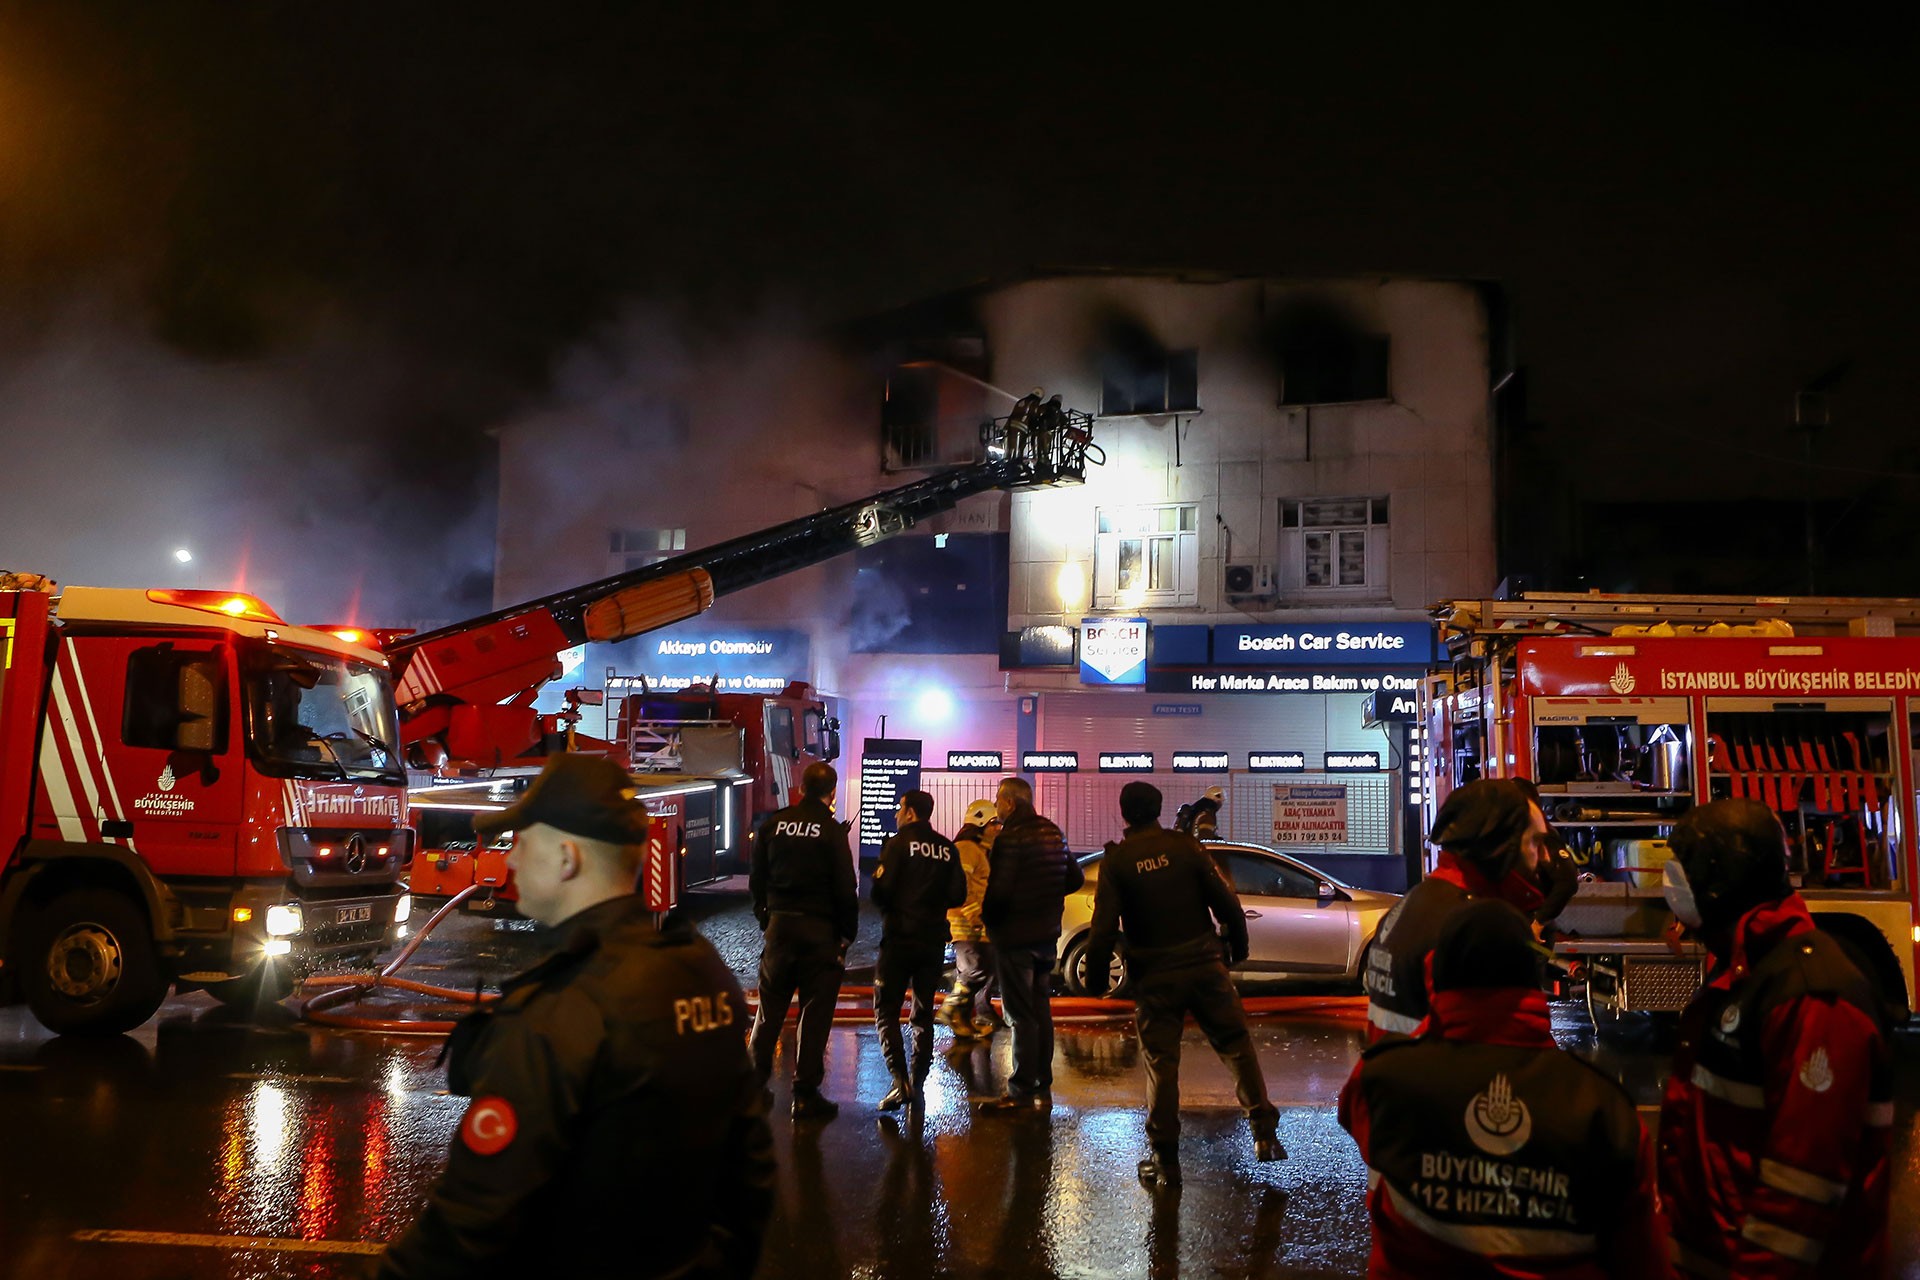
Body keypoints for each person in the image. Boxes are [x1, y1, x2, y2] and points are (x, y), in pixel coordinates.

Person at [378, 753, 774, 1280]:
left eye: (521, 842)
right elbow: (752, 1175)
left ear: (566, 858)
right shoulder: (703, 975)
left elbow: (464, 1232)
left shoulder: (554, 1017)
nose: (511, 861)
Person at [1339, 899, 1667, 1278]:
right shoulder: (1603, 1110)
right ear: (1532, 978)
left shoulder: (1382, 1080)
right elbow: (1643, 1260)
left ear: (1434, 973)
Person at [1657, 799, 1891, 1278]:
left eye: (1685, 867)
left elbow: (1801, 1192)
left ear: (1722, 879)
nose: (1673, 883)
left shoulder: (1811, 997)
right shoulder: (1749, 971)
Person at [1083, 781, 1284, 1189]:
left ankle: (1165, 1160)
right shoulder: (1185, 847)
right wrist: (1236, 949)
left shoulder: (1117, 862)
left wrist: (1099, 981)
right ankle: (1264, 1134)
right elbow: (1226, 902)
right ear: (1158, 809)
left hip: (1156, 977)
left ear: (1124, 813)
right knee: (1236, 1046)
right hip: (1205, 966)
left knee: (1162, 1064)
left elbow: (1103, 929)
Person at [1365, 778, 1549, 1041]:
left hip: (1402, 1076)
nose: (1544, 857)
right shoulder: (1481, 929)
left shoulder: (1412, 905)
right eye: (1535, 842)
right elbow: (1507, 1054)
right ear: (1499, 848)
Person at [748, 760, 859, 1120]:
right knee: (815, 1016)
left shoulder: (773, 825)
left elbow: (756, 880)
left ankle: (753, 1085)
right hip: (819, 934)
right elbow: (847, 887)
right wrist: (846, 935)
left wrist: (767, 917)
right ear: (832, 793)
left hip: (780, 929)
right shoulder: (831, 832)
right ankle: (805, 1095)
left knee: (769, 1012)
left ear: (799, 789)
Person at [979, 775, 1083, 1111]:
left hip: (1016, 938)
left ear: (1009, 802)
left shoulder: (1011, 837)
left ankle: (1020, 1089)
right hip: (1046, 936)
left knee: (1020, 1013)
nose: (996, 807)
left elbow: (999, 891)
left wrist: (991, 923)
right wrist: (1045, 896)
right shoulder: (1054, 831)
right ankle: (1042, 1083)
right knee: (1040, 1010)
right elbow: (1074, 877)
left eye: (998, 801)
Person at [871, 789, 967, 1110]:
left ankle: (900, 1082)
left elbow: (880, 891)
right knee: (923, 1013)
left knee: (886, 1009)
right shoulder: (946, 849)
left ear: (910, 812)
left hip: (898, 941)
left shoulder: (897, 845)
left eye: (900, 808)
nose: (897, 814)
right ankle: (919, 1079)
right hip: (932, 942)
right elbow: (957, 895)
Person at [942, 798, 1002, 1038]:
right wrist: (974, 915)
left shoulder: (980, 850)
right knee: (975, 970)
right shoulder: (967, 849)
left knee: (982, 969)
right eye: (993, 823)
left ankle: (963, 1021)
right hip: (966, 924)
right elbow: (962, 886)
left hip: (976, 923)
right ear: (979, 824)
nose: (998, 827)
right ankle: (950, 1008)